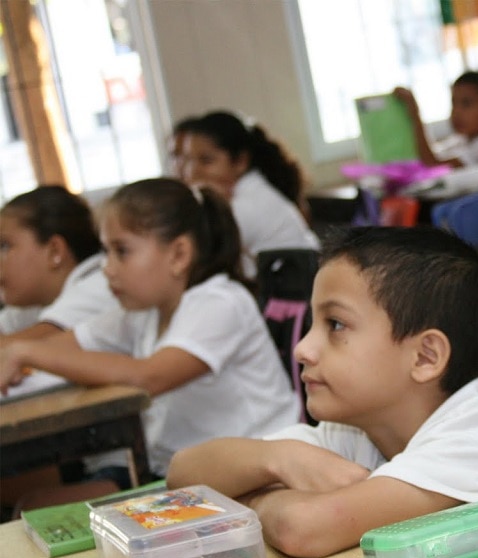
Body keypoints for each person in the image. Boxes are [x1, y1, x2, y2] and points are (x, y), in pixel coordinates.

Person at [165, 226, 478, 558]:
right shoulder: (355, 431)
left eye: (336, 325)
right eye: (312, 323)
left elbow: (302, 529)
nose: (304, 349)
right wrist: (276, 460)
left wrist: (250, 495)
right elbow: (182, 473)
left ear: (425, 357)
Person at [0, 178, 299, 486]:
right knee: (33, 503)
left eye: (122, 251)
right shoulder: (143, 313)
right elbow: (67, 344)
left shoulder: (220, 303)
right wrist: (21, 355)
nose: (107, 268)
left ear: (179, 255)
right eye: (105, 251)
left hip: (260, 473)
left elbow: (148, 377)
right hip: (183, 474)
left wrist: (26, 351)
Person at [181, 110, 319, 277]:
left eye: (206, 160)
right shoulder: (251, 189)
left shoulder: (247, 205)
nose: (191, 171)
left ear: (241, 161)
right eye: (187, 159)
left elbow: (194, 258)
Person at [0, 186, 118, 342]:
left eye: (4, 246)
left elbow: (23, 349)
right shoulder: (36, 300)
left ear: (55, 251)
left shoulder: (101, 285)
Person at [393, 70, 478, 168]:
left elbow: (432, 164)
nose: (456, 112)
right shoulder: (461, 139)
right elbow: (430, 156)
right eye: (454, 103)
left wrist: (415, 114)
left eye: (466, 104)